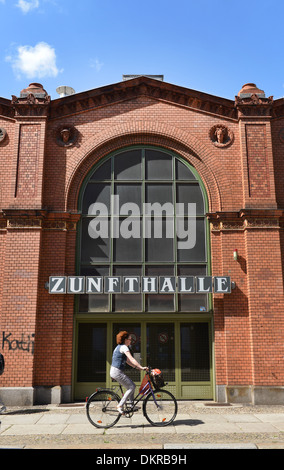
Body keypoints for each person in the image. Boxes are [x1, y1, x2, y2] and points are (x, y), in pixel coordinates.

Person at [110, 331, 147, 414]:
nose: (131, 341)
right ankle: (120, 405)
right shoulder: (124, 347)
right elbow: (132, 359)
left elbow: (127, 361)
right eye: (130, 339)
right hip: (117, 372)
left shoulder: (118, 347)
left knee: (131, 386)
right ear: (125, 339)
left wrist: (136, 367)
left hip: (115, 371)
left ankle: (131, 405)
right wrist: (141, 367)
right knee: (131, 387)